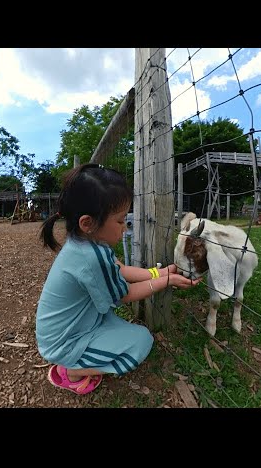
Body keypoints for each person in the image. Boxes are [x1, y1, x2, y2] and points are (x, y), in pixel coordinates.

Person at [36, 163, 200, 395]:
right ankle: (71, 370)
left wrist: (161, 272)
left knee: (126, 330)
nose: (125, 227)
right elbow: (126, 295)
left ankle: (81, 358)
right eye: (121, 220)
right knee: (142, 341)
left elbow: (119, 268)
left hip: (79, 324)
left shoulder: (85, 244)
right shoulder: (90, 257)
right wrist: (168, 281)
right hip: (65, 342)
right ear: (87, 223)